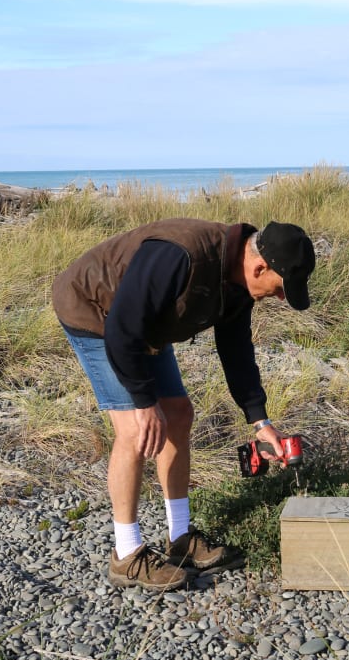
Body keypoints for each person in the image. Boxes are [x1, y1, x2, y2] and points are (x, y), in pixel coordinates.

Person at [52, 217, 316, 591]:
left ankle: (180, 537)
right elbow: (123, 330)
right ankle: (126, 555)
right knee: (135, 430)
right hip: (98, 313)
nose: (277, 297)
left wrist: (260, 421)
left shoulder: (240, 282)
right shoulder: (181, 255)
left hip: (146, 322)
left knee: (178, 413)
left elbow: (237, 352)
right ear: (260, 266)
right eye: (278, 288)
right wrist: (144, 403)